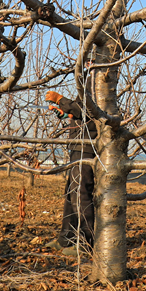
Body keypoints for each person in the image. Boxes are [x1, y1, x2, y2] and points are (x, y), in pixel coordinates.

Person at [45, 90, 95, 253]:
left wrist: (60, 99)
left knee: (81, 192)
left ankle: (85, 243)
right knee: (71, 193)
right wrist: (66, 115)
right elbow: (82, 115)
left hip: (87, 145)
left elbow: (87, 110)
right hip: (78, 144)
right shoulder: (87, 76)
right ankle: (66, 238)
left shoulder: (97, 77)